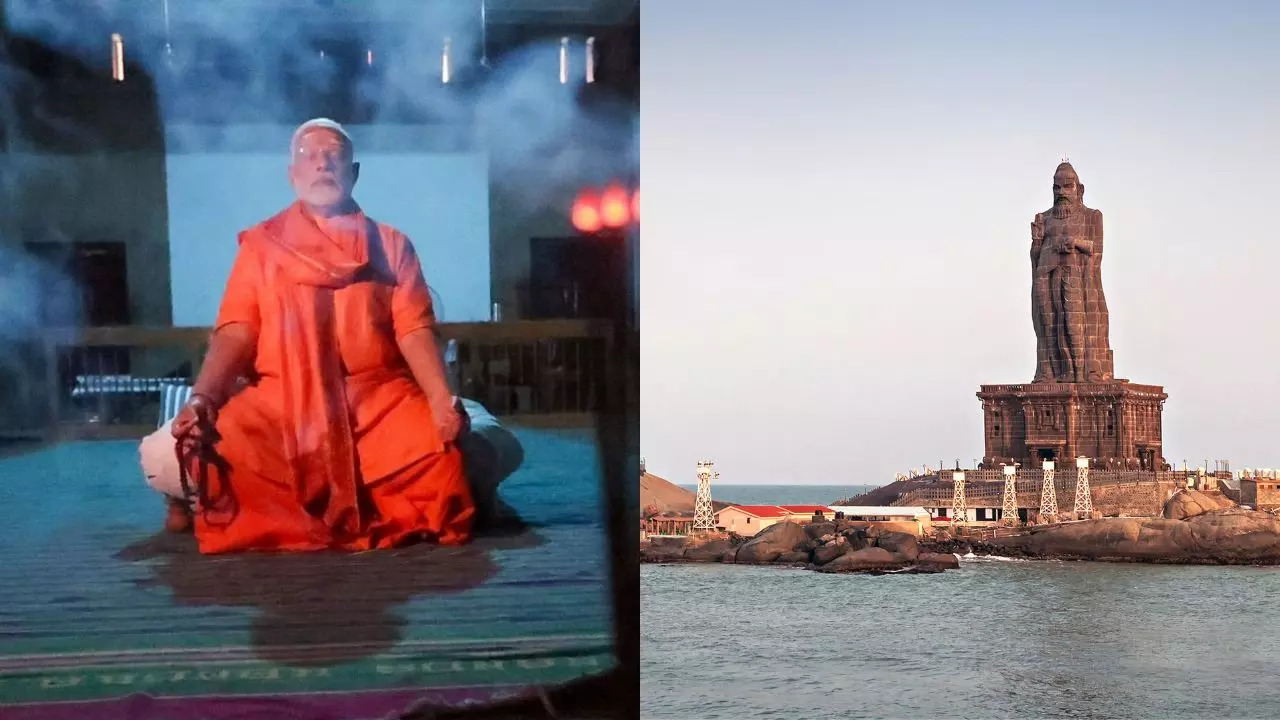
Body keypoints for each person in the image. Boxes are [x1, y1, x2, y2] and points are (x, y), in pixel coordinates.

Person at [139, 118, 485, 554]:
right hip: (282, 403)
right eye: (309, 154)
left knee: (442, 454)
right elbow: (236, 332)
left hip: (375, 400)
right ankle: (189, 498)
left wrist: (439, 400)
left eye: (334, 153)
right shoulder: (261, 246)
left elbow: (413, 327)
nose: (322, 162)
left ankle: (196, 503)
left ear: (354, 172)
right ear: (292, 175)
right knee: (202, 448)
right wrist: (203, 398)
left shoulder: (392, 244)